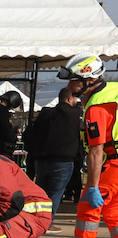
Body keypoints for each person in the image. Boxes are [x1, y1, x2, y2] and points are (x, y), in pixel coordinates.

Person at [42, 54, 117, 238]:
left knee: (88, 207)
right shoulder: (113, 91)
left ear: (89, 80)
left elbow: (96, 150)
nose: (68, 85)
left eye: (73, 80)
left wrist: (92, 186)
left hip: (112, 164)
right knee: (113, 212)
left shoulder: (97, 107)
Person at [24, 80, 84, 220]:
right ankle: (46, 222)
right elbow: (80, 111)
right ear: (69, 99)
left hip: (42, 160)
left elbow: (32, 132)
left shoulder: (46, 113)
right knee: (55, 194)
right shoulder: (74, 114)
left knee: (41, 193)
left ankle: (35, 220)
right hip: (63, 161)